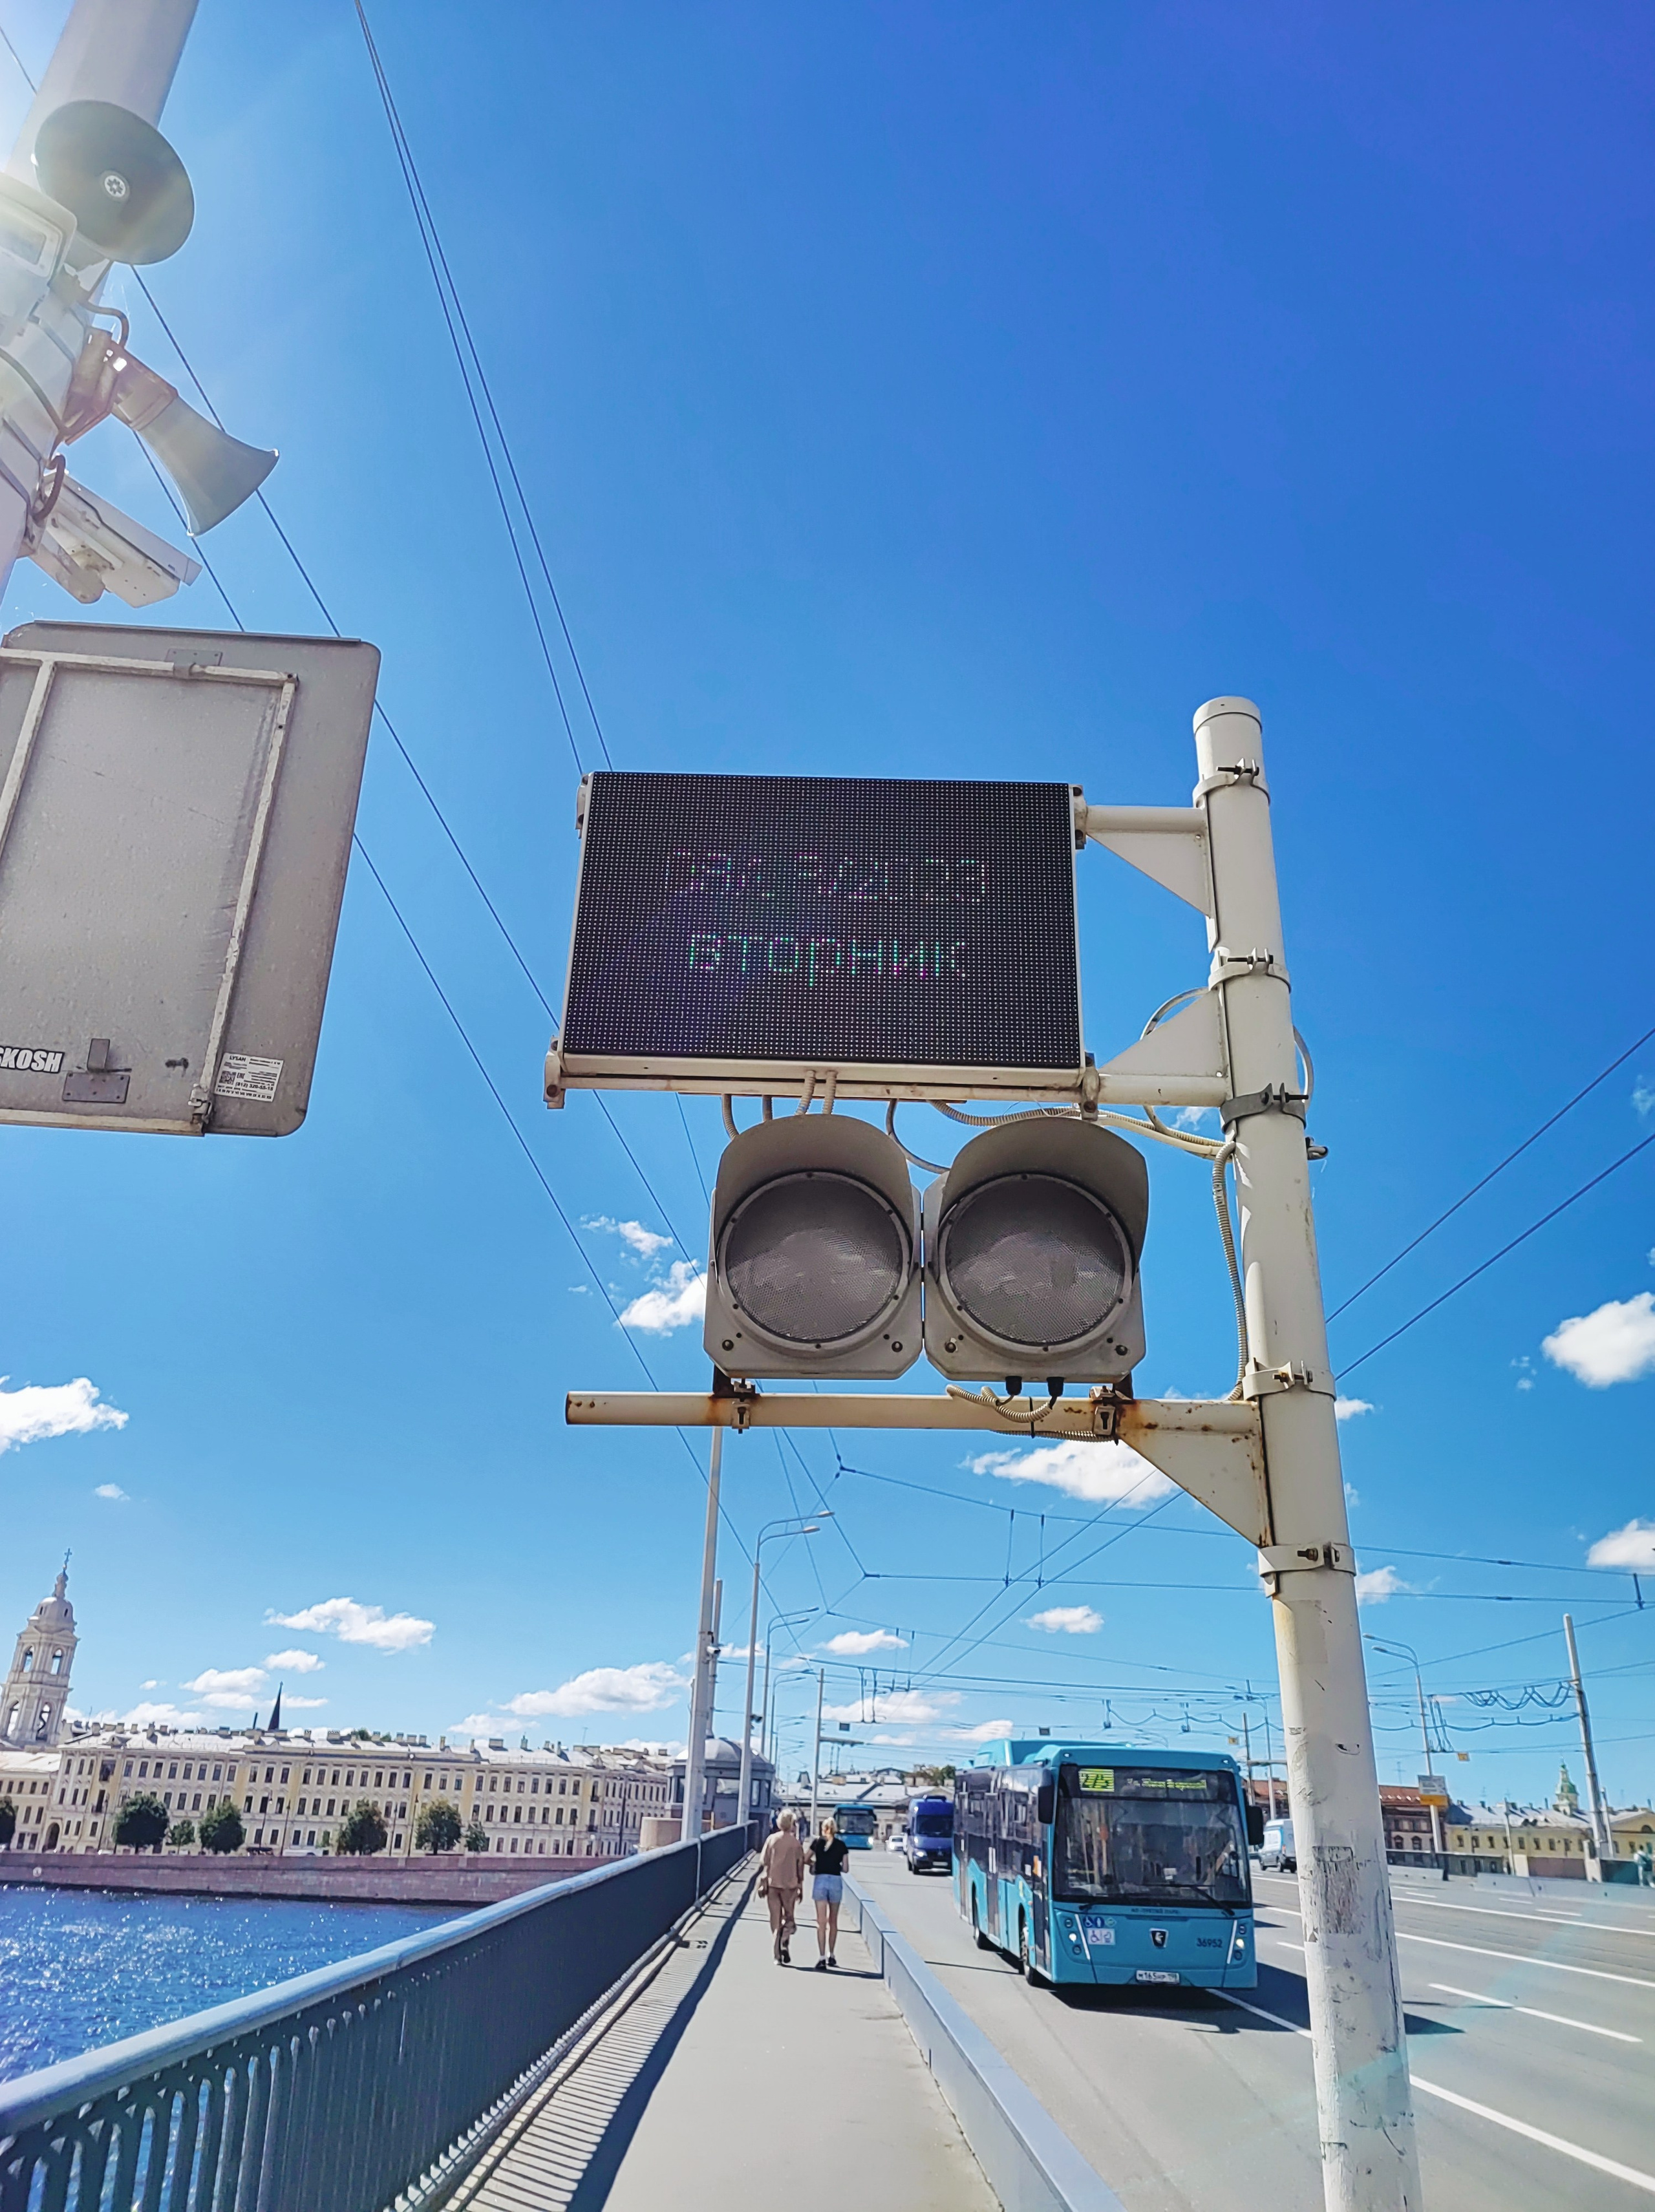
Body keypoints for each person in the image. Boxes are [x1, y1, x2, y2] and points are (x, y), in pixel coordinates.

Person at [760, 1809, 806, 1964]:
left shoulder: (772, 1840)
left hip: (773, 1884)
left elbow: (765, 1861)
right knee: (789, 1918)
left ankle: (777, 1955)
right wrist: (800, 1886)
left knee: (775, 1919)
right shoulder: (796, 1844)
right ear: (792, 1824)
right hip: (790, 1886)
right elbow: (800, 1866)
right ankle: (785, 1939)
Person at [807, 1816, 849, 1968]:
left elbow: (805, 1858)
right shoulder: (841, 1845)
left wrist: (815, 1864)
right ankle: (832, 1955)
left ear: (823, 1829)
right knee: (833, 1922)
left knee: (821, 1922)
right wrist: (835, 1865)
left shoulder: (817, 1843)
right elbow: (846, 1869)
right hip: (836, 1882)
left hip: (820, 1881)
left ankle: (821, 1957)